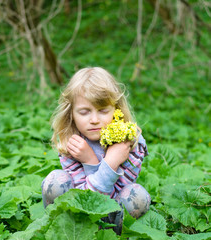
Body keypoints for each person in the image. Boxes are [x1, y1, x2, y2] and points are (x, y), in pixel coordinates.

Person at [41, 67, 151, 234]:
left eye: (103, 111)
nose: (94, 120)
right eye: (84, 112)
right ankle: (64, 231)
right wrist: (94, 161)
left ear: (117, 109)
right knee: (55, 180)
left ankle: (117, 236)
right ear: (71, 113)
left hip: (114, 215)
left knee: (138, 195)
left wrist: (113, 160)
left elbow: (115, 198)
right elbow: (84, 201)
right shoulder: (72, 142)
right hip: (79, 217)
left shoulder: (129, 142)